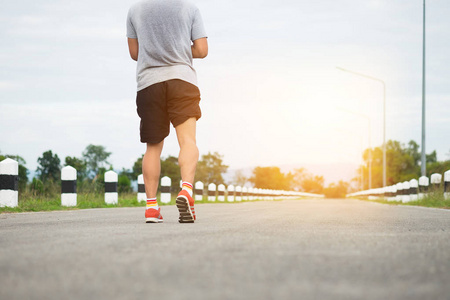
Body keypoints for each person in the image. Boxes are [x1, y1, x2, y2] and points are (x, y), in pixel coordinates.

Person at [126, 0, 208, 223]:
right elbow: (202, 50)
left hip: (149, 83)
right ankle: (186, 191)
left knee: (152, 147)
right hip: (182, 80)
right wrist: (179, 49)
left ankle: (151, 208)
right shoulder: (189, 8)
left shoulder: (135, 10)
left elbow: (135, 53)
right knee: (187, 141)